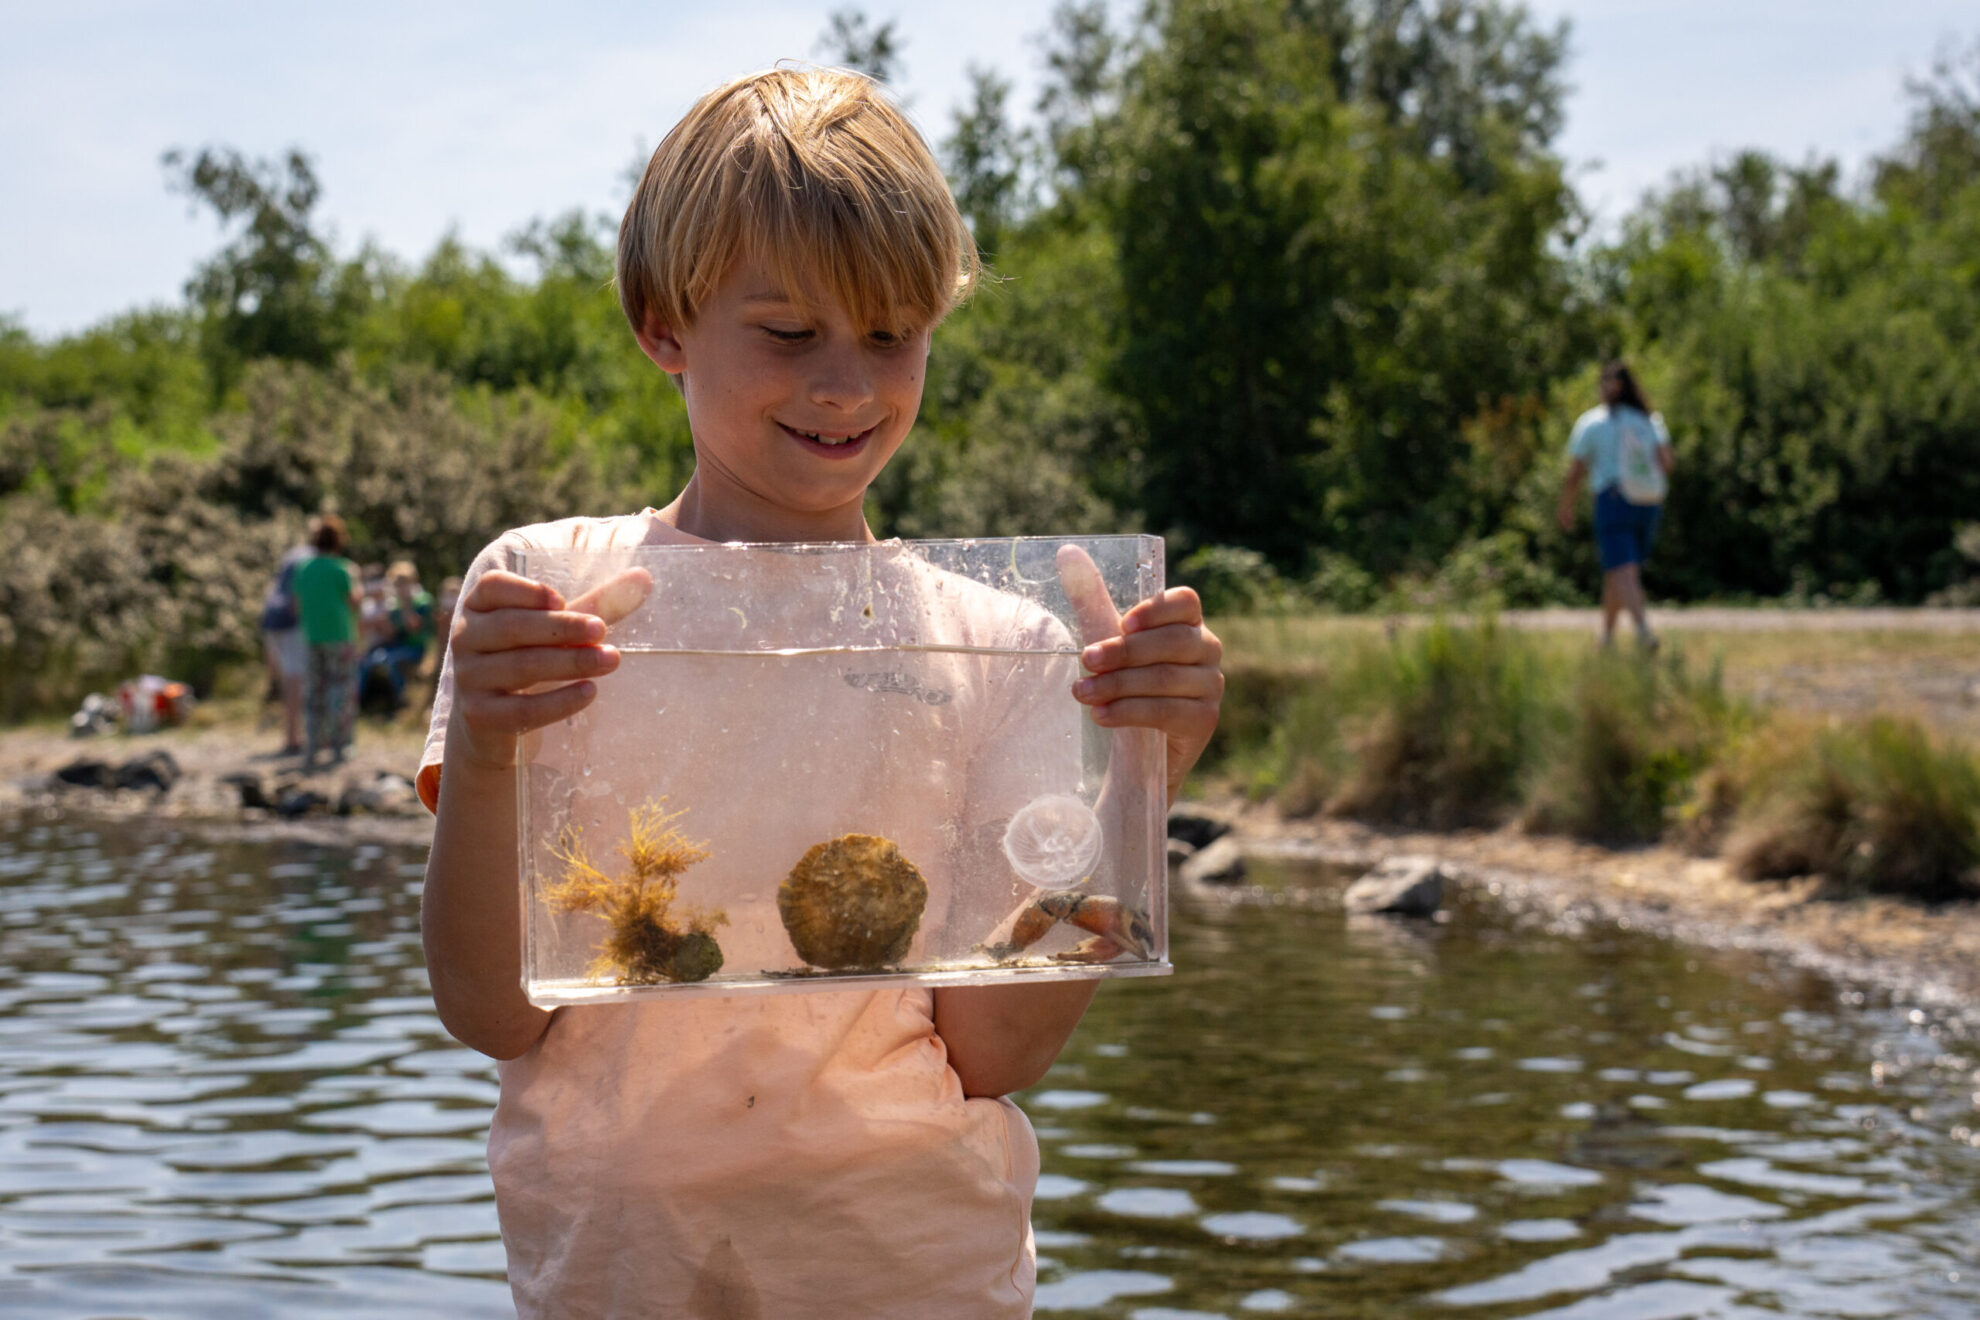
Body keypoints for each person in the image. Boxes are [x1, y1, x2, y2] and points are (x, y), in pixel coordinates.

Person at [417, 67, 1224, 1319]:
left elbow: (995, 1049)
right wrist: (481, 749)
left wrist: (1141, 773)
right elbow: (489, 1015)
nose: (847, 383)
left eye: (892, 334)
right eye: (790, 334)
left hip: (920, 1266)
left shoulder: (996, 642)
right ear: (662, 322)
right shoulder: (545, 595)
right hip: (623, 1274)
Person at [1556, 360, 1675, 650]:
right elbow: (1667, 464)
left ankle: (1644, 632)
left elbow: (1575, 472)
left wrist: (1566, 506)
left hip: (1614, 500)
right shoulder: (1649, 420)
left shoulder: (1593, 422)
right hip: (1649, 502)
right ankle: (1606, 638)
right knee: (1617, 572)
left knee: (1623, 571)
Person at [290, 514, 361, 767]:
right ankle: (340, 746)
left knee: (315, 692)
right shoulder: (343, 568)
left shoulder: (304, 568)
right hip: (340, 636)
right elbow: (354, 601)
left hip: (312, 636)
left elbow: (296, 607)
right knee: (340, 689)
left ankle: (313, 746)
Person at [256, 531, 315, 755]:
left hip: (271, 617)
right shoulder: (311, 558)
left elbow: (274, 588)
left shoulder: (292, 555)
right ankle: (293, 738)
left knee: (289, 677)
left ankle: (294, 735)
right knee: (295, 679)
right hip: (289, 621)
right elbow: (298, 597)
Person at [360, 561, 434, 714]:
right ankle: (361, 702)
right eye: (397, 584)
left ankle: (400, 702)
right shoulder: (394, 605)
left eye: (404, 583)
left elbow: (413, 627)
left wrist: (405, 603)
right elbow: (392, 634)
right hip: (397, 646)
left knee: (391, 661)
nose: (401, 588)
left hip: (415, 648)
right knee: (369, 660)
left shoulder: (422, 601)